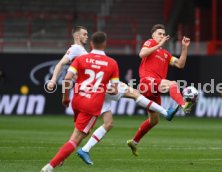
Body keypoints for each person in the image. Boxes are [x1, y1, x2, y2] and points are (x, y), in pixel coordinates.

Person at [46, 26, 177, 165]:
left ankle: (81, 151)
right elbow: (61, 64)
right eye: (84, 34)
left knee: (107, 124)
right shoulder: (77, 49)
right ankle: (165, 112)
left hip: (93, 92)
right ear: (77, 36)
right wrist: (53, 80)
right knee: (135, 93)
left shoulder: (83, 53)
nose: (86, 36)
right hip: (101, 87)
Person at [41, 31, 120, 172]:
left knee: (78, 133)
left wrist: (65, 97)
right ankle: (50, 167)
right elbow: (114, 90)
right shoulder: (112, 63)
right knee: (76, 138)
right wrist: (101, 87)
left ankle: (61, 158)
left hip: (76, 101)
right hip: (92, 105)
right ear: (105, 43)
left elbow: (67, 79)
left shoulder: (81, 59)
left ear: (91, 44)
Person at [127, 24, 194, 156]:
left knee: (154, 121)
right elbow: (142, 54)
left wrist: (184, 48)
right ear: (153, 35)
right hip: (147, 82)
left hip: (155, 87)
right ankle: (183, 104)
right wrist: (158, 44)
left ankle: (134, 142)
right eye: (159, 34)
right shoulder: (150, 43)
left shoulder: (165, 54)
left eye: (163, 34)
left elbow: (180, 64)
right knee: (173, 84)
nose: (162, 36)